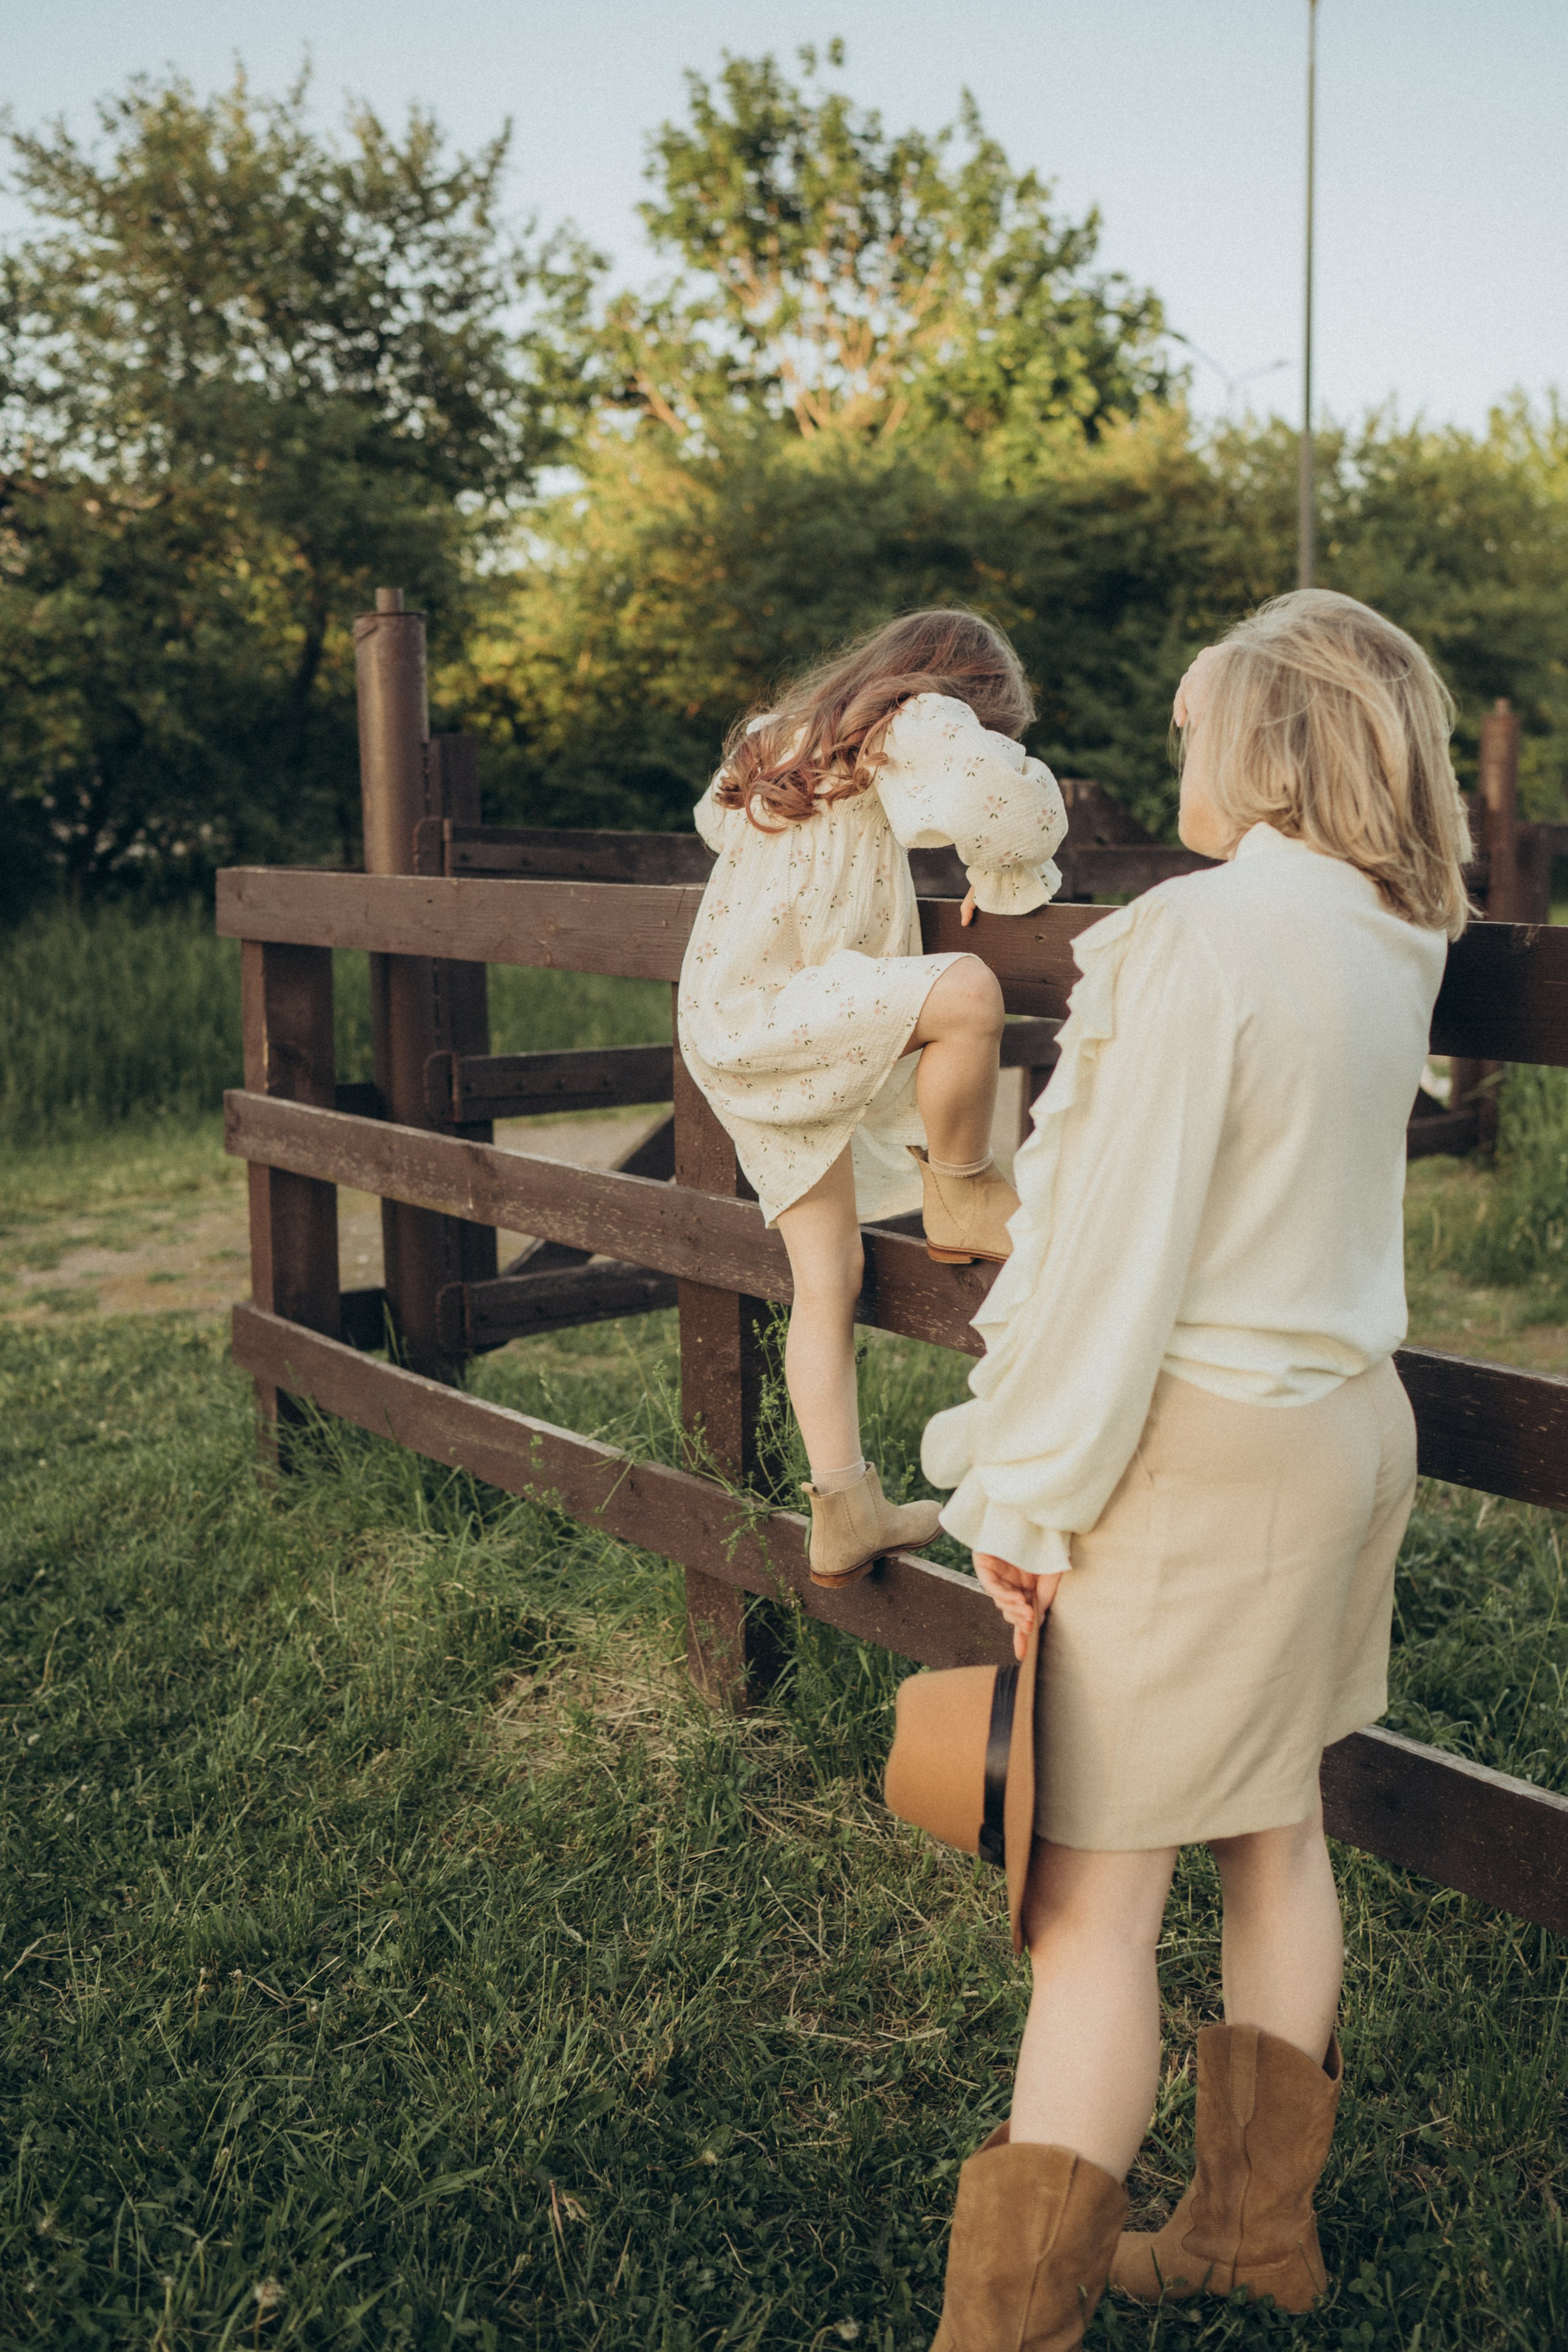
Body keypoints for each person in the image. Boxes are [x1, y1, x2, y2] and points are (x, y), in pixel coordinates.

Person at [918, 589, 1473, 2348]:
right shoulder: (1397, 938)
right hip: (1340, 1438)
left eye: (1191, 724)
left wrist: (1018, 1497)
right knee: (1277, 1825)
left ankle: (1010, 2332)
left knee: (1088, 1914)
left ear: (1268, 740)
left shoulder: (1194, 944)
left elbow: (1107, 1265)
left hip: (1200, 1455)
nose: (1175, 756)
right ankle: (1250, 2241)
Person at [677, 608, 1067, 1589]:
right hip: (782, 1007)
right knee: (970, 991)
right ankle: (964, 1187)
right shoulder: (919, 718)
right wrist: (1003, 870)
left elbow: (716, 821)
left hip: (729, 1021)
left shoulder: (779, 739)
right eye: (993, 724)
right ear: (956, 691)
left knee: (828, 1274)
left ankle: (843, 1508)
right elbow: (1010, 810)